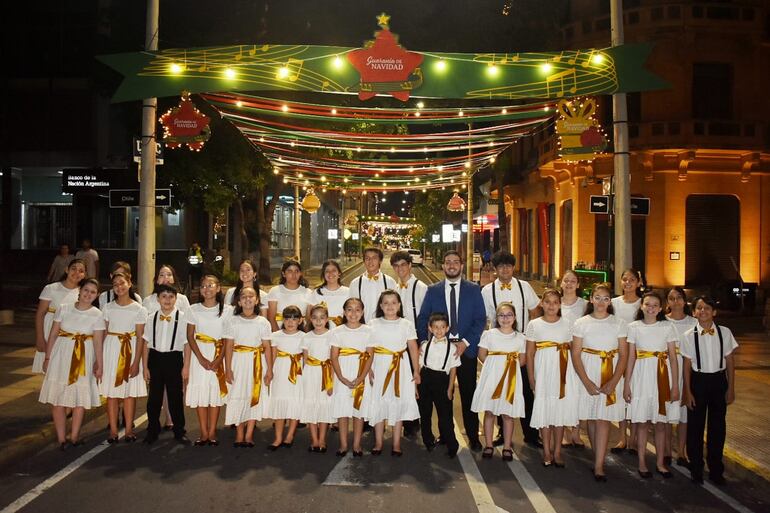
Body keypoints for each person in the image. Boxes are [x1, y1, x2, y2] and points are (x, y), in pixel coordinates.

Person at [417, 250, 487, 451]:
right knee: (443, 398)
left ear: (462, 266)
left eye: (456, 262)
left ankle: (473, 436)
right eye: (448, 262)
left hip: (465, 351)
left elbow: (480, 320)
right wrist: (425, 343)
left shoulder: (474, 290)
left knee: (468, 394)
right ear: (443, 266)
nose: (452, 265)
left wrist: (465, 342)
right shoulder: (433, 290)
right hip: (440, 353)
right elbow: (423, 318)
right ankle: (446, 436)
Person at [480, 250, 541, 448]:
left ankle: (531, 434)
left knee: (526, 392)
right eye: (501, 266)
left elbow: (535, 312)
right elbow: (485, 319)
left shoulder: (525, 287)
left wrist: (531, 339)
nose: (505, 269)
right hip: (499, 348)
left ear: (513, 268)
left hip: (520, 346)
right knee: (500, 392)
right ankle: (501, 433)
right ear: (495, 269)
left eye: (508, 265)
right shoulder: (487, 290)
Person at [571, 282, 629, 481]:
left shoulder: (619, 323)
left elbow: (623, 355)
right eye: (597, 298)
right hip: (588, 370)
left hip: (609, 371)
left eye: (605, 298)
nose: (601, 302)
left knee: (603, 419)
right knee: (591, 417)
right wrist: (586, 381)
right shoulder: (581, 323)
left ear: (610, 301)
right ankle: (598, 455)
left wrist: (614, 381)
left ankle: (598, 465)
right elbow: (576, 354)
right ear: (591, 299)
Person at [39, 278, 104, 449]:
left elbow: (98, 342)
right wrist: (47, 358)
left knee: (79, 398)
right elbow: (53, 334)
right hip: (61, 355)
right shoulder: (64, 308)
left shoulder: (97, 314)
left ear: (96, 295)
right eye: (86, 290)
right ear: (79, 290)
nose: (88, 294)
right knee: (58, 398)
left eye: (92, 292)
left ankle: (74, 436)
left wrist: (99, 364)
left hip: (84, 357)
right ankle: (61, 439)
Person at [681, 296, 737, 486]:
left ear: (714, 311)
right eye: (699, 308)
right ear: (694, 312)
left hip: (718, 381)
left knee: (717, 427)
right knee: (695, 427)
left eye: (707, 308)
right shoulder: (688, 335)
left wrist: (731, 388)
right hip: (698, 382)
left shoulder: (725, 332)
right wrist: (687, 391)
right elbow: (686, 365)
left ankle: (716, 470)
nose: (703, 311)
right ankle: (696, 467)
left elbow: (730, 361)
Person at [623, 292, 680, 478]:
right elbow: (631, 357)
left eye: (655, 305)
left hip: (662, 376)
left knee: (661, 424)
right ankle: (641, 462)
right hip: (641, 377)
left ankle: (660, 462)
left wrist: (675, 386)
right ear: (642, 306)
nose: (651, 308)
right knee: (641, 423)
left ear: (661, 308)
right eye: (648, 304)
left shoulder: (667, 326)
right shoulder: (633, 327)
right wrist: (627, 384)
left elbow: (673, 358)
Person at [526, 289, 578, 467]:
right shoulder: (534, 324)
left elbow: (574, 350)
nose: (551, 306)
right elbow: (530, 353)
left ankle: (557, 451)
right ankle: (547, 451)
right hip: (543, 372)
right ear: (541, 303)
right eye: (547, 302)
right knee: (545, 411)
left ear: (560, 305)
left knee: (559, 412)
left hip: (562, 373)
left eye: (555, 302)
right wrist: (531, 377)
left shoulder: (568, 324)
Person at [365, 290, 420, 456]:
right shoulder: (373, 323)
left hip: (400, 367)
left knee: (398, 401)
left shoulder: (406, 324)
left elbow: (413, 348)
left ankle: (396, 443)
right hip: (379, 366)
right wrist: (368, 368)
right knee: (378, 401)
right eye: (386, 303)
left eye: (394, 302)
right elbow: (368, 348)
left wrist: (416, 371)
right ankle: (378, 441)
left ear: (399, 305)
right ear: (381, 306)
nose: (390, 306)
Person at [471, 302, 526, 461]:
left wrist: (508, 367)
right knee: (489, 412)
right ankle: (489, 444)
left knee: (508, 414)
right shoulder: (489, 334)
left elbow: (522, 360)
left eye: (509, 315)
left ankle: (507, 446)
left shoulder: (521, 338)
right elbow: (481, 355)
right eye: (501, 315)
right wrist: (494, 366)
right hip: (492, 378)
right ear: (496, 318)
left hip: (511, 379)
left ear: (514, 317)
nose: (505, 318)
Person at [142, 264, 191, 432]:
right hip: (156, 356)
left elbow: (187, 340)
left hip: (174, 356)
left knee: (176, 395)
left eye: (168, 274)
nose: (167, 300)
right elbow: (145, 341)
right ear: (158, 299)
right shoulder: (150, 311)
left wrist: (186, 365)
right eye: (161, 275)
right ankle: (152, 429)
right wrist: (144, 366)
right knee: (154, 396)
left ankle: (178, 428)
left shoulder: (182, 310)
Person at [184, 275, 232, 446]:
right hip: (200, 355)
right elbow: (190, 336)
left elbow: (228, 337)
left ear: (218, 288)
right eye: (203, 286)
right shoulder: (193, 309)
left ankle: (212, 432)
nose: (206, 289)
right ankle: (203, 432)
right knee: (201, 393)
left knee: (214, 394)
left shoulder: (228, 310)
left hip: (219, 353)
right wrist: (200, 358)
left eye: (210, 285)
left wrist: (219, 359)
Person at [100, 272, 147, 443]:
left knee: (129, 393)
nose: (119, 287)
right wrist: (99, 360)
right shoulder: (107, 308)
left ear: (129, 283)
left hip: (130, 350)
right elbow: (104, 334)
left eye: (122, 283)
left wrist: (137, 362)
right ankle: (113, 430)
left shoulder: (139, 309)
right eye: (115, 285)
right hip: (111, 351)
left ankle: (128, 429)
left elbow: (141, 338)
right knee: (111, 394)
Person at [223, 287, 273, 447]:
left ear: (257, 300)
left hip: (256, 363)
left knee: (253, 395)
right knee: (238, 394)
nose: (247, 299)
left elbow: (267, 347)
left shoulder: (263, 322)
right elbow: (228, 346)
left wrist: (269, 369)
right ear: (238, 302)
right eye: (243, 296)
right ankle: (239, 432)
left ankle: (249, 433)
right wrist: (228, 368)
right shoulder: (233, 321)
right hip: (238, 362)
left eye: (251, 296)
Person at [390, 250, 428, 438]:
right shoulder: (393, 287)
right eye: (396, 266)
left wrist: (423, 342)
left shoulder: (420, 287)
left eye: (403, 265)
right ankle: (403, 420)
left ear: (410, 265)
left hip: (415, 341)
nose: (400, 269)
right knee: (400, 382)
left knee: (416, 382)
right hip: (396, 342)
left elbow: (426, 317)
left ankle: (414, 422)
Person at [330, 297, 372, 457]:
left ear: (362, 312)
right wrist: (341, 377)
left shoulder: (368, 331)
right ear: (344, 312)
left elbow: (369, 356)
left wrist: (361, 377)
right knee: (343, 410)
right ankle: (343, 444)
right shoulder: (337, 331)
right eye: (349, 309)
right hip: (343, 373)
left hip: (360, 373)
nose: (353, 313)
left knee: (358, 410)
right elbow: (334, 357)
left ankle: (356, 444)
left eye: (357, 310)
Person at [417, 312, 460, 458]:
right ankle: (428, 440)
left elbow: (453, 369)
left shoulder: (452, 348)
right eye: (435, 327)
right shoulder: (424, 346)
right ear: (430, 328)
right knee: (425, 413)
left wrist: (450, 387)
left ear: (447, 328)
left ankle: (452, 444)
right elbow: (419, 366)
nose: (439, 330)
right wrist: (416, 385)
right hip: (425, 379)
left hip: (442, 380)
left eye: (442, 327)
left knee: (445, 415)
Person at [610, 268, 642, 454]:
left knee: (635, 394)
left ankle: (634, 438)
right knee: (622, 394)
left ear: (638, 282)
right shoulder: (613, 303)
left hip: (639, 354)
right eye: (625, 279)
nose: (628, 283)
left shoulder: (642, 303)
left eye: (632, 279)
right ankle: (622, 437)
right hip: (619, 354)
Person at [665, 286, 698, 466]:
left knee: (684, 413)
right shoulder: (662, 321)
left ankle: (681, 452)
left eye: (679, 297)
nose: (675, 301)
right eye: (671, 298)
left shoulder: (693, 322)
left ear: (685, 301)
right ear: (667, 302)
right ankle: (666, 450)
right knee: (667, 413)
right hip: (666, 369)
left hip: (687, 369)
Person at [34, 259, 85, 373]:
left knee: (65, 368)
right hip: (50, 329)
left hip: (70, 333)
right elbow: (40, 314)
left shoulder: (83, 292)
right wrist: (40, 338)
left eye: (81, 271)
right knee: (49, 368)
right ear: (67, 270)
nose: (77, 273)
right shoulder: (51, 288)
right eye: (73, 269)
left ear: (84, 275)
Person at [267, 305, 305, 450]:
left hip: (297, 373)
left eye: (294, 319)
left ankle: (289, 436)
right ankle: (278, 437)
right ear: (282, 319)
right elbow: (273, 355)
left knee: (294, 402)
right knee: (279, 403)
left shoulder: (304, 336)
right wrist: (269, 372)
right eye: (287, 318)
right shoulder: (276, 335)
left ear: (300, 321)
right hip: (280, 372)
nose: (290, 322)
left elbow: (306, 358)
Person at [558, 270, 588, 448]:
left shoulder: (585, 305)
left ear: (578, 284)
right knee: (562, 391)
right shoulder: (555, 302)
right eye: (566, 280)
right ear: (561, 283)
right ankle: (562, 431)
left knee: (578, 392)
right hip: (559, 353)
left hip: (579, 353)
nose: (569, 284)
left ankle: (576, 431)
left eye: (573, 281)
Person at [301, 304, 335, 452]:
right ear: (310, 319)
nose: (318, 321)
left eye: (322, 317)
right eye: (315, 318)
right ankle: (314, 440)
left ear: (327, 319)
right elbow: (305, 360)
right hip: (311, 374)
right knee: (311, 405)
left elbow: (333, 359)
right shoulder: (307, 336)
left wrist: (331, 380)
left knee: (323, 406)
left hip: (326, 374)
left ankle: (322, 440)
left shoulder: (332, 335)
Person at [349, 247, 396, 323]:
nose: (370, 261)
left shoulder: (390, 282)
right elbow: (350, 308)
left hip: (384, 325)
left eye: (374, 258)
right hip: (362, 326)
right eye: (367, 258)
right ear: (364, 261)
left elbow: (395, 307)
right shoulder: (355, 283)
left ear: (380, 261)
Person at [266, 260, 313, 332]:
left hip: (301, 332)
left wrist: (304, 335)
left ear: (300, 273)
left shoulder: (308, 292)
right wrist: (278, 335)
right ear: (283, 274)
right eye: (290, 271)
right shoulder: (275, 291)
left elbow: (309, 319)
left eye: (296, 271)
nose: (293, 275)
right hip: (279, 330)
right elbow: (271, 318)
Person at [307, 260, 349, 327]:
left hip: (342, 330)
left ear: (339, 273)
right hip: (321, 330)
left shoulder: (348, 292)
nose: (330, 273)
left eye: (334, 270)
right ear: (323, 275)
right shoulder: (316, 292)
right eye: (327, 271)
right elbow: (309, 316)